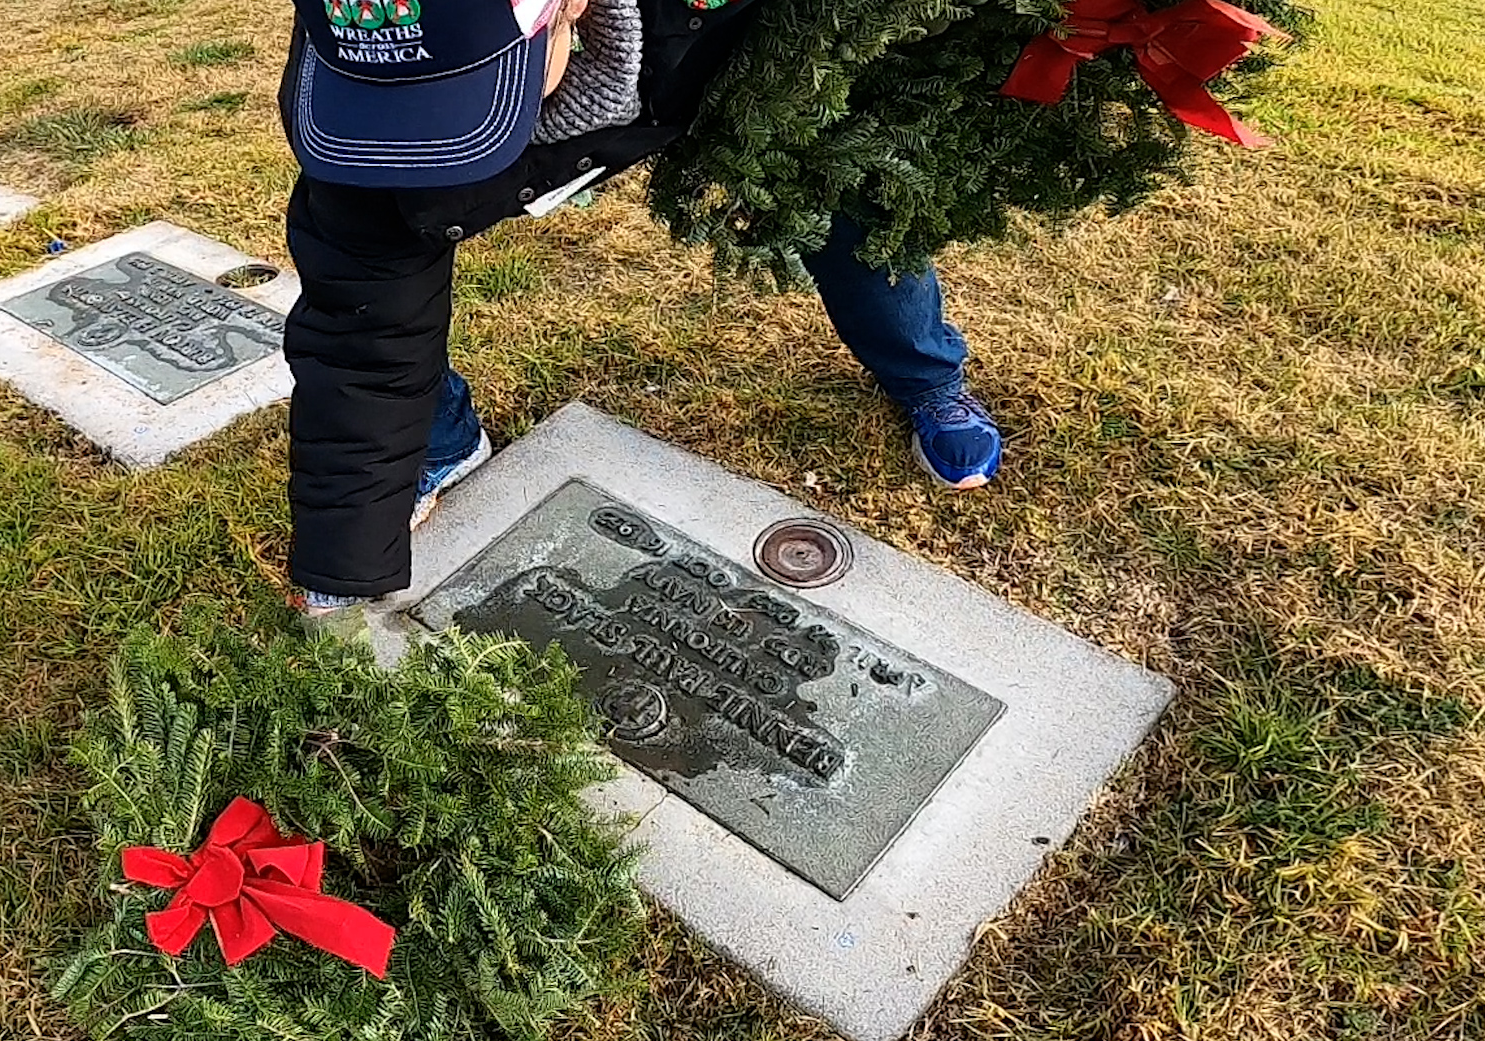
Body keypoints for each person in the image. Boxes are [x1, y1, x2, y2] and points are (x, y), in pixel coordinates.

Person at [278, 0, 1001, 635]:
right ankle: (443, 442)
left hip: (717, 42)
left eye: (459, 98)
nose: (417, 133)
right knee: (378, 261)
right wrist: (343, 565)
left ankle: (927, 374)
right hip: (537, 64)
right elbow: (358, 330)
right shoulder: (350, 100)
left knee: (841, 183)